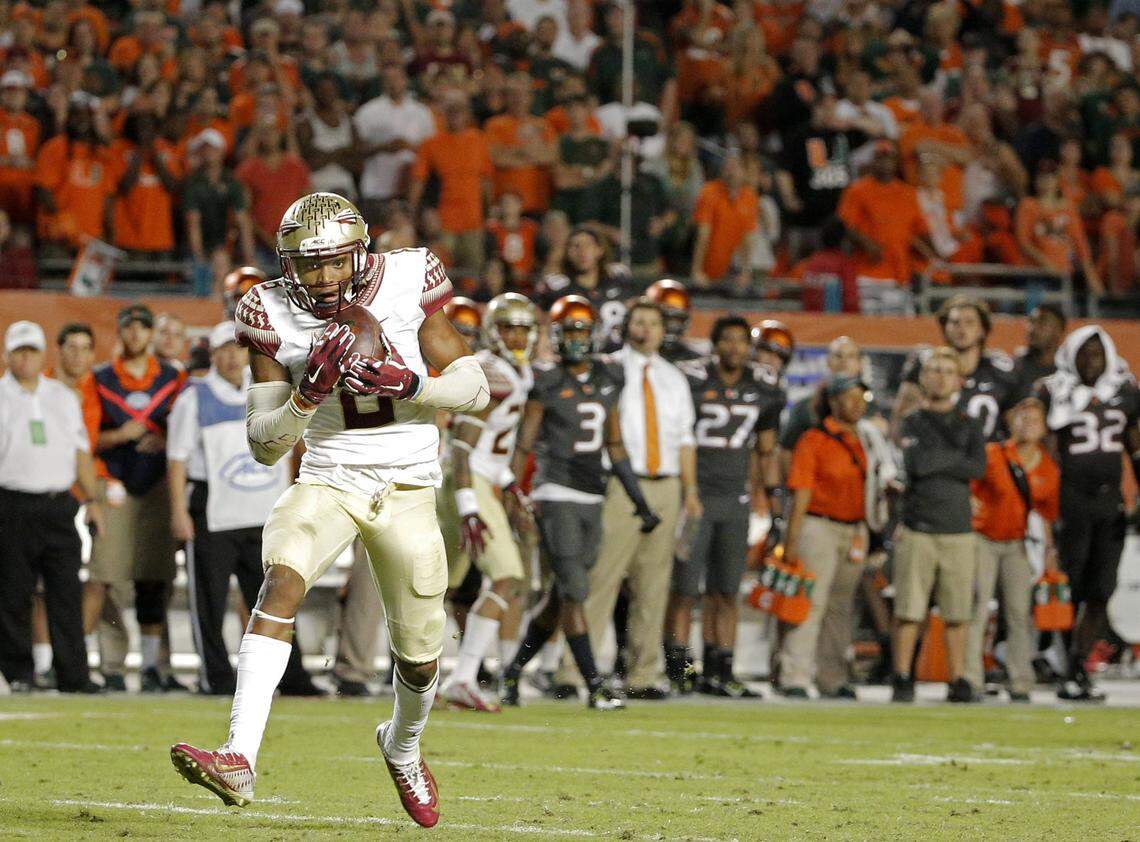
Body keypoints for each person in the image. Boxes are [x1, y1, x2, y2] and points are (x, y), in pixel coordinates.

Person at [170, 193, 490, 828]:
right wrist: (306, 397)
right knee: (281, 579)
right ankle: (239, 755)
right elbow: (265, 444)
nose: (320, 277)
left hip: (407, 482)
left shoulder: (406, 279)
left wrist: (413, 384)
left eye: (333, 262)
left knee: (420, 655)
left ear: (360, 254)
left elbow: (475, 388)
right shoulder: (268, 310)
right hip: (329, 476)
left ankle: (402, 745)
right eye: (306, 264)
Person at [499, 295, 659, 710]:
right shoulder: (546, 381)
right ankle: (595, 685)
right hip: (555, 493)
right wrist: (512, 495)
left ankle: (512, 673)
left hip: (593, 495)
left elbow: (615, 444)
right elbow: (524, 444)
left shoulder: (609, 376)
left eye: (582, 331)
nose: (576, 339)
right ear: (556, 335)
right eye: (569, 331)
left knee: (561, 597)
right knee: (575, 591)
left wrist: (639, 501)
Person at [166, 322, 320, 697]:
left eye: (238, 348)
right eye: (224, 349)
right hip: (213, 512)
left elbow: (295, 444)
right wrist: (179, 512)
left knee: (277, 598)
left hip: (266, 513)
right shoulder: (194, 398)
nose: (232, 357)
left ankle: (292, 677)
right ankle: (216, 678)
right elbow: (177, 459)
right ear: (213, 355)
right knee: (209, 602)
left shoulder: (272, 390)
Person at [557, 299, 699, 699]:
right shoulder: (608, 368)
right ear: (626, 327)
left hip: (666, 483)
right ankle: (574, 671)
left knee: (653, 584)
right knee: (602, 576)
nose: (646, 329)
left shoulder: (674, 377)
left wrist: (690, 491)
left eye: (654, 322)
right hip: (621, 481)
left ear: (663, 330)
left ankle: (643, 674)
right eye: (640, 321)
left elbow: (685, 439)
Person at [667, 316, 784, 697]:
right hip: (694, 498)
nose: (734, 347)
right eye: (727, 340)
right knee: (685, 590)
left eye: (741, 341)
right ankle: (680, 669)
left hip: (735, 500)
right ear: (714, 344)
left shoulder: (763, 387)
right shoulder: (691, 380)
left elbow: (766, 450)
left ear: (750, 347)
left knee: (726, 591)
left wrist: (775, 503)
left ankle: (722, 670)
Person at [437, 293, 539, 711]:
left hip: (475, 478)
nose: (517, 337)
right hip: (466, 481)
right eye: (508, 328)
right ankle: (461, 677)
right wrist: (468, 507)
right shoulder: (490, 371)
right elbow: (463, 447)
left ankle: (435, 679)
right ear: (493, 332)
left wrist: (510, 483)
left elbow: (491, 449)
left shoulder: (516, 372)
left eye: (523, 329)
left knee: (440, 587)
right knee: (506, 576)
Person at [80, 304, 187, 693]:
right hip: (114, 486)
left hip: (158, 486)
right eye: (130, 328)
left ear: (150, 334)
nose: (136, 334)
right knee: (105, 576)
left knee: (155, 578)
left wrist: (165, 438)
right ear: (121, 332)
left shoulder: (174, 378)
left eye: (143, 328)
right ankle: (103, 663)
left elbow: (185, 429)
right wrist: (119, 436)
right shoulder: (100, 379)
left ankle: (152, 666)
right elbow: (85, 439)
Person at [1035, 326, 1140, 702]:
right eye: (1084, 353)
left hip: (1109, 503)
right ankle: (1062, 663)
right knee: (1070, 589)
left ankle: (1077, 664)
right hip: (1070, 501)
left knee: (1102, 589)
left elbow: (1135, 446)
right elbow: (1045, 450)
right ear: (1071, 355)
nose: (1091, 361)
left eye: (1097, 354)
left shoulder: (1124, 390)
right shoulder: (1052, 390)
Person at [0, 321, 102, 694]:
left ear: (43, 354)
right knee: (13, 593)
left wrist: (92, 499)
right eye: (19, 351)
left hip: (60, 504)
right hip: (11, 503)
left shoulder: (63, 396)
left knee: (66, 591)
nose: (26, 358)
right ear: (7, 355)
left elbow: (80, 452)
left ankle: (74, 676)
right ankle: (18, 674)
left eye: (32, 351)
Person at [891, 347, 987, 703]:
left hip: (958, 528)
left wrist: (937, 459)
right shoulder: (911, 420)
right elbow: (916, 463)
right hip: (918, 526)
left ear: (959, 380)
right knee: (908, 611)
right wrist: (954, 459)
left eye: (948, 371)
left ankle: (958, 678)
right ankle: (902, 676)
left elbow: (977, 467)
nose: (941, 377)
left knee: (958, 612)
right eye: (935, 370)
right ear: (923, 378)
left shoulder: (969, 423)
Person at [778, 374, 870, 699]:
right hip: (818, 526)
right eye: (849, 397)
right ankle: (795, 675)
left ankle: (832, 677)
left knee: (840, 607)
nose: (856, 404)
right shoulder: (814, 439)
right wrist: (791, 539)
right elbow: (801, 491)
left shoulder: (868, 439)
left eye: (861, 397)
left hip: (855, 529)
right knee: (810, 603)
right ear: (832, 401)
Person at [965, 397, 1060, 702]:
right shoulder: (993, 454)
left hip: (1019, 545)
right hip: (984, 539)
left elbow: (1046, 514)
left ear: (1044, 428)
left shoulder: (1047, 467)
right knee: (977, 609)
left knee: (1019, 613)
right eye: (1023, 418)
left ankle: (1021, 680)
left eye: (1034, 420)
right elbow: (969, 488)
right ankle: (970, 678)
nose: (1028, 425)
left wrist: (1048, 553)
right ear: (1011, 422)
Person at [893, 296, 1018, 441]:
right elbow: (900, 423)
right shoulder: (926, 365)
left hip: (988, 453)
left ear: (982, 329)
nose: (961, 329)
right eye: (955, 322)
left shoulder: (1000, 371)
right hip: (935, 452)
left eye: (969, 322)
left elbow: (1015, 429)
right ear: (945, 327)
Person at [1011, 303, 1066, 401]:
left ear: (1059, 330)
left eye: (1042, 322)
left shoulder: (1068, 371)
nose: (1032, 328)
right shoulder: (1014, 368)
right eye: (1031, 321)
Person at [645, 278, 701, 364]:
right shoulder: (630, 354)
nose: (671, 326)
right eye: (664, 320)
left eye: (676, 320)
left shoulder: (695, 359)